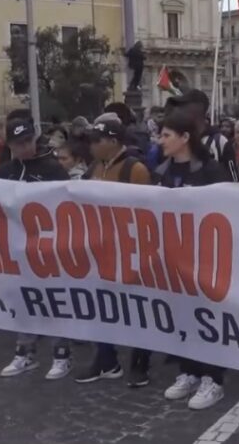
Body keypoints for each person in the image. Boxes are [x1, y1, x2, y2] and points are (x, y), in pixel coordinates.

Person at [152, 111, 230, 410]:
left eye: (166, 135)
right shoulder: (161, 171)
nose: (160, 141)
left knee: (207, 317)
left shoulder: (211, 171)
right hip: (174, 256)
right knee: (181, 316)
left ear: (185, 138)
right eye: (160, 135)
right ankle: (189, 371)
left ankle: (213, 378)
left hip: (206, 257)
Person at [0, 118, 73, 379]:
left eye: (28, 141)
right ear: (10, 145)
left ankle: (61, 354)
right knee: (22, 299)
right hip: (17, 246)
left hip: (47, 245)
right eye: (18, 143)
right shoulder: (4, 171)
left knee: (53, 300)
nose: (25, 147)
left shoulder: (52, 168)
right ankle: (24, 352)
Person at [74, 119, 153, 385]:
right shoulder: (95, 167)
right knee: (102, 305)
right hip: (101, 248)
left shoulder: (135, 169)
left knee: (137, 306)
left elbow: (146, 211)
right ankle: (106, 359)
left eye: (97, 141)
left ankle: (140, 361)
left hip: (130, 249)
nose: (92, 146)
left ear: (114, 142)